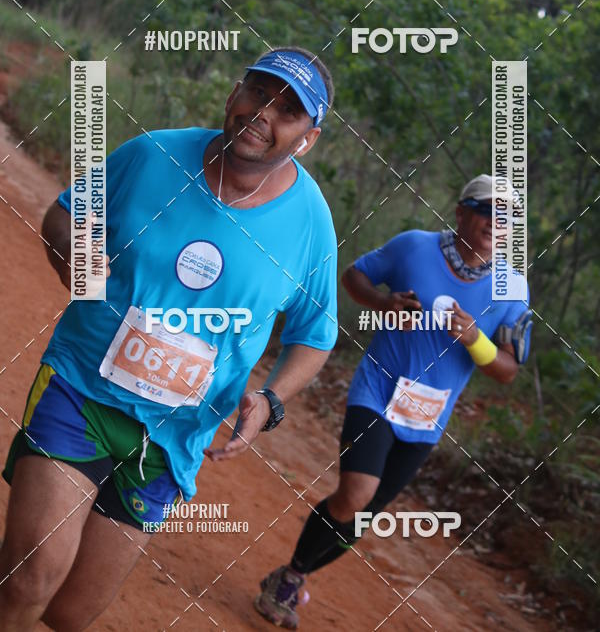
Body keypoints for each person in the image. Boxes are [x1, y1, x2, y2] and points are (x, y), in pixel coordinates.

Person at [0, 46, 338, 631]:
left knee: (71, 612)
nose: (264, 113)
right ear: (235, 95)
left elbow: (315, 336)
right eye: (259, 92)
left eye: (287, 111)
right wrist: (73, 255)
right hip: (80, 386)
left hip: (173, 438)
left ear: (305, 139)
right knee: (33, 573)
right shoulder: (153, 153)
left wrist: (272, 400)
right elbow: (65, 213)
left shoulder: (311, 224)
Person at [255, 174, 532, 630]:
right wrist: (383, 305)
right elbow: (355, 276)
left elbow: (507, 369)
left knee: (362, 519)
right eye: (485, 210)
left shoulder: (512, 289)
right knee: (354, 496)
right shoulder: (414, 247)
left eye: (506, 218)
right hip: (379, 390)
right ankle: (289, 580)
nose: (494, 223)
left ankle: (290, 576)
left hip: (427, 416)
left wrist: (474, 339)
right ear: (461, 211)